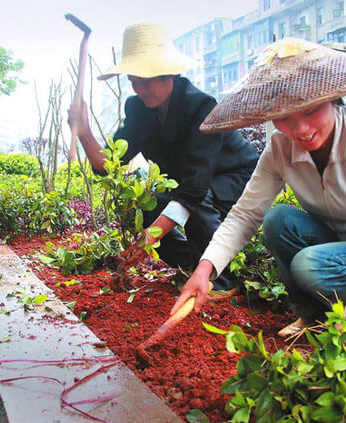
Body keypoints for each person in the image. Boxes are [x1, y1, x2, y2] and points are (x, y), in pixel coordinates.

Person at [171, 38, 346, 341]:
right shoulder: (279, 149)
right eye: (284, 118)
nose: (301, 129)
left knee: (310, 265)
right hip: (337, 245)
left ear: (332, 97)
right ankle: (313, 316)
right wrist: (205, 269)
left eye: (311, 109)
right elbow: (244, 215)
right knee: (278, 219)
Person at [68, 23, 259, 291]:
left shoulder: (201, 106)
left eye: (145, 82)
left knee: (196, 203)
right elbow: (108, 165)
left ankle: (222, 282)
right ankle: (193, 265)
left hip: (235, 178)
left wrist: (152, 235)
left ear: (167, 74)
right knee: (146, 205)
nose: (139, 90)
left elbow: (195, 187)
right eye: (134, 82)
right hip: (193, 189)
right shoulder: (138, 109)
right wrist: (84, 131)